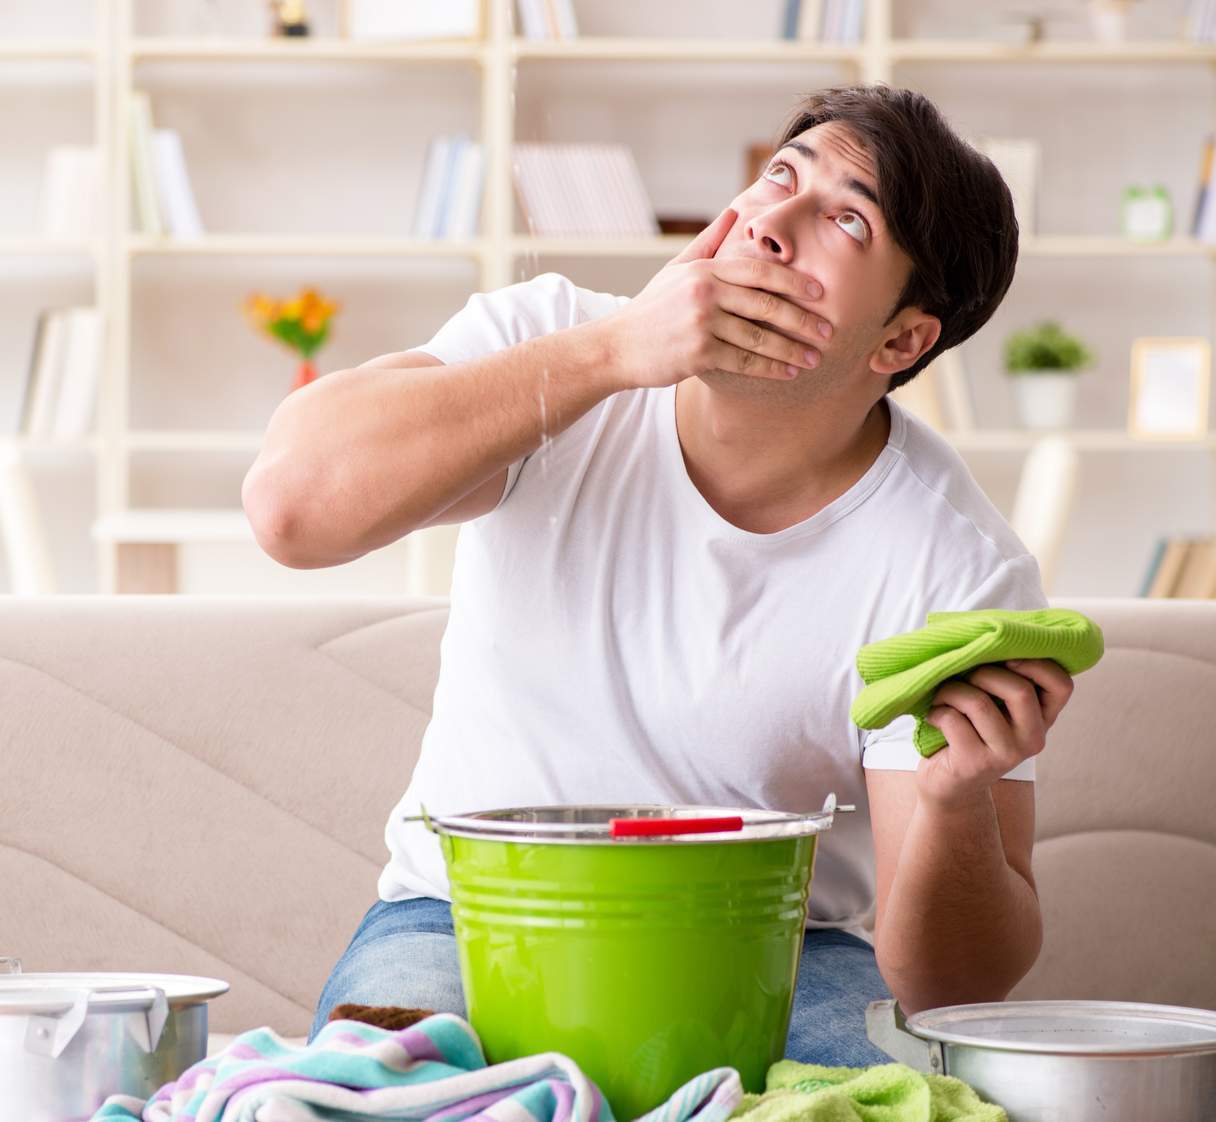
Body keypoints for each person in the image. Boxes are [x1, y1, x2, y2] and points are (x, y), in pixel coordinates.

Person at [241, 85, 1077, 1066]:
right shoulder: (557, 341)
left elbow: (955, 990)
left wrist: (949, 800)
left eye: (845, 217)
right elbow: (290, 510)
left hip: (781, 948)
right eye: (780, 175)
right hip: (462, 918)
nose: (772, 224)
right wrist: (612, 352)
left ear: (900, 341)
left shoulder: (955, 565)